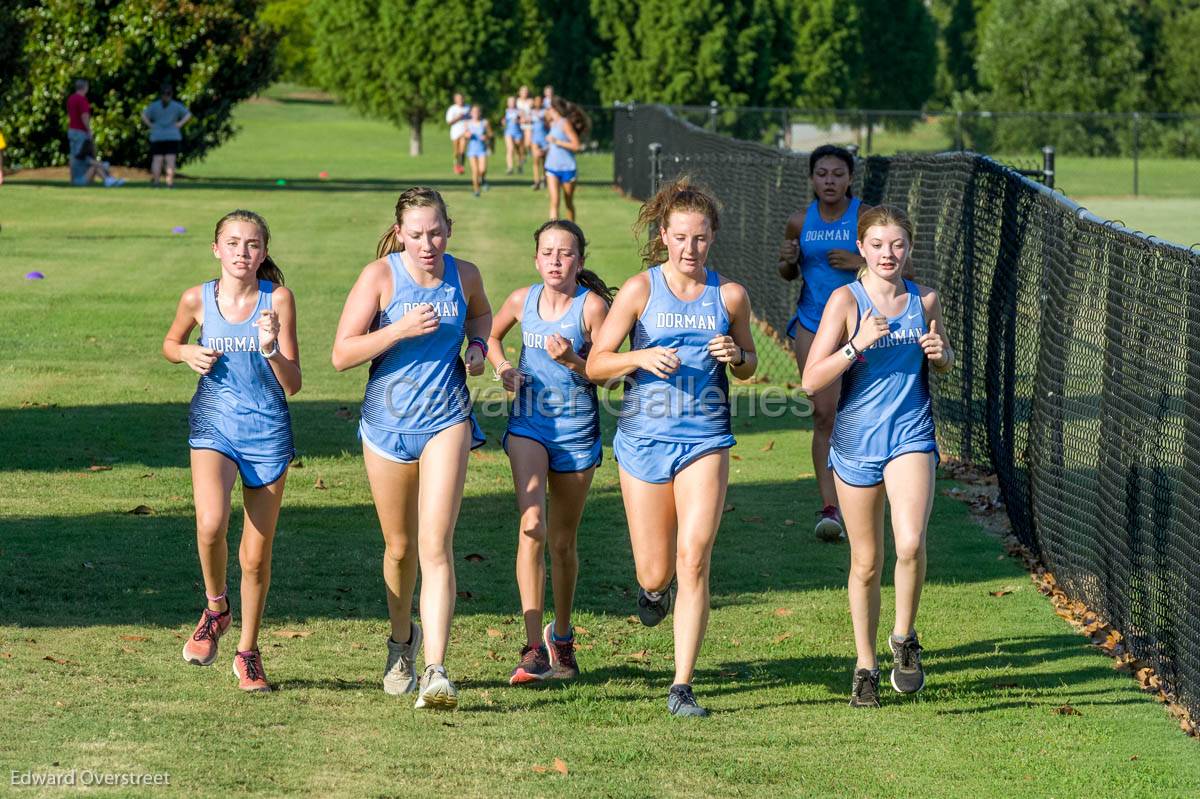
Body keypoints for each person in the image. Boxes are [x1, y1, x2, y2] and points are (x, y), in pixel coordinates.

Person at [586, 177, 758, 717]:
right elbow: (596, 364)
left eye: (700, 239)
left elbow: (750, 365)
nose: (690, 248)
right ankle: (653, 592)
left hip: (705, 441)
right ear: (664, 236)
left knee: (694, 558)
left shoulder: (729, 295)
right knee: (655, 570)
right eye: (681, 238)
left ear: (713, 238)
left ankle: (682, 686)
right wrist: (639, 358)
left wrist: (735, 353)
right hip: (642, 442)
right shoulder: (640, 290)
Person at [331, 187, 492, 711]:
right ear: (400, 233)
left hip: (447, 419)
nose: (428, 243)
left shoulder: (464, 275)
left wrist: (477, 347)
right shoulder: (379, 277)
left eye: (437, 232)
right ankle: (402, 642)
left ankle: (437, 671)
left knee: (435, 544)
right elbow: (341, 354)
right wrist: (398, 329)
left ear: (450, 227)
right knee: (399, 549)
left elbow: (481, 315)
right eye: (417, 234)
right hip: (386, 425)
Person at [800, 204, 953, 708]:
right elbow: (811, 379)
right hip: (856, 441)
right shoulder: (846, 301)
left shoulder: (924, 298)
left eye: (899, 245)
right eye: (879, 245)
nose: (890, 254)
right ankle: (865, 665)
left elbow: (945, 359)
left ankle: (904, 639)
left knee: (909, 542)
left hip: (910, 434)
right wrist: (855, 345)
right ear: (861, 248)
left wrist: (941, 355)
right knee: (866, 562)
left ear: (909, 249)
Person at [162, 209, 300, 692]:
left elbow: (294, 382)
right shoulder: (196, 298)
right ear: (216, 249)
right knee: (210, 523)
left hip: (267, 431)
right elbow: (170, 342)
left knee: (256, 558)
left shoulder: (277, 299)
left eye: (254, 244)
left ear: (264, 252)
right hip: (213, 425)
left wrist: (269, 348)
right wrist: (186, 354)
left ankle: (248, 652)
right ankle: (216, 608)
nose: (244, 253)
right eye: (234, 243)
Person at [486, 220, 610, 685]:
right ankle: (533, 646)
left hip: (577, 433)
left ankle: (562, 636)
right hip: (529, 426)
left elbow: (610, 373)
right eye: (548, 252)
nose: (556, 260)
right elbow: (493, 337)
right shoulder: (523, 300)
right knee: (531, 525)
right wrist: (502, 368)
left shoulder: (592, 308)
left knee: (562, 541)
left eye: (566, 253)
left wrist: (574, 362)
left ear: (580, 260)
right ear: (536, 259)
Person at [778, 145, 868, 542]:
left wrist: (858, 263)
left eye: (837, 173)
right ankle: (831, 507)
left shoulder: (866, 218)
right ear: (812, 178)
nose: (829, 181)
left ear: (850, 178)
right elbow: (786, 271)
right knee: (823, 414)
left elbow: (906, 269)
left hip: (864, 325)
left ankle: (864, 494)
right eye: (821, 173)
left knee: (862, 416)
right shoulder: (800, 221)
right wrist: (786, 260)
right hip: (814, 325)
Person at [544, 97, 589, 222]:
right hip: (552, 168)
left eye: (549, 108)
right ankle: (553, 233)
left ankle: (573, 234)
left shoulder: (565, 123)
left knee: (568, 203)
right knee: (554, 202)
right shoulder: (552, 124)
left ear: (555, 109)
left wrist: (557, 142)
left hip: (567, 168)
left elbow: (576, 145)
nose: (547, 111)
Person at [142, 83, 192, 188]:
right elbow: (188, 114)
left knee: (157, 160)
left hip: (157, 135)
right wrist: (180, 124)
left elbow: (144, 115)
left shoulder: (155, 105)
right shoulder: (175, 105)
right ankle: (169, 182)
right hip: (172, 135)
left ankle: (156, 182)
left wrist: (150, 125)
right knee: (170, 160)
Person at [67, 79, 93, 186]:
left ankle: (73, 178)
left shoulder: (71, 98)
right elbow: (84, 116)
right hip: (80, 131)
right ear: (85, 87)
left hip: (71, 130)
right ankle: (80, 179)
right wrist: (89, 129)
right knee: (81, 156)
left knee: (73, 156)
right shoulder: (82, 99)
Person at [462, 105, 491, 197]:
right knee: (475, 171)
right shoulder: (467, 123)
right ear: (471, 113)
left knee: (482, 170)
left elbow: (490, 134)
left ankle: (483, 179)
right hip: (472, 151)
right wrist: (467, 135)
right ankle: (476, 190)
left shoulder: (485, 123)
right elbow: (464, 135)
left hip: (482, 150)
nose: (475, 113)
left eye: (477, 111)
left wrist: (485, 137)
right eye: (473, 112)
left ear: (480, 113)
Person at [445, 93, 470, 175]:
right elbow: (449, 122)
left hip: (464, 132)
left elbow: (472, 119)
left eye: (461, 98)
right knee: (456, 151)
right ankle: (456, 165)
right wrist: (458, 117)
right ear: (455, 100)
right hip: (455, 132)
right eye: (458, 99)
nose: (460, 100)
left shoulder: (468, 108)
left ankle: (461, 166)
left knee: (462, 150)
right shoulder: (452, 109)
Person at [529, 97, 548, 191]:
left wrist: (544, 120)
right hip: (535, 139)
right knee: (536, 160)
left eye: (539, 101)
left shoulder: (545, 112)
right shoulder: (531, 112)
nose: (538, 103)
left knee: (544, 161)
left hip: (544, 138)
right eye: (536, 101)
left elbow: (549, 123)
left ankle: (545, 179)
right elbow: (525, 122)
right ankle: (536, 181)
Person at [502, 96, 524, 175]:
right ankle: (510, 167)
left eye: (513, 101)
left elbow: (523, 120)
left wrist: (518, 120)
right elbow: (503, 120)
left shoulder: (519, 111)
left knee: (518, 150)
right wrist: (503, 122)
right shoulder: (506, 111)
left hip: (518, 133)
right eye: (510, 102)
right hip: (508, 132)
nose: (512, 103)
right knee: (510, 149)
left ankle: (519, 165)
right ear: (508, 103)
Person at [517, 85, 534, 158]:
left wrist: (528, 118)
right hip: (519, 124)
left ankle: (529, 150)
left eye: (526, 91)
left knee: (528, 142)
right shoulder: (516, 101)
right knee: (519, 142)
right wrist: (519, 118)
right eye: (523, 91)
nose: (525, 93)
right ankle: (522, 156)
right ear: (519, 92)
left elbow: (534, 112)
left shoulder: (531, 101)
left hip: (528, 124)